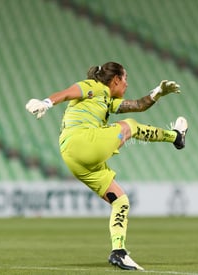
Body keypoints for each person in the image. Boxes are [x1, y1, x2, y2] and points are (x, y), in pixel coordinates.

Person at [25, 61, 188, 271]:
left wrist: (157, 92)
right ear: (116, 79)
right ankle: (175, 137)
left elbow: (138, 105)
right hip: (82, 141)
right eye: (125, 80)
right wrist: (46, 103)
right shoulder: (93, 87)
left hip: (75, 160)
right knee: (130, 127)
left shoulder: (107, 101)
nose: (127, 85)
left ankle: (118, 252)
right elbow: (67, 93)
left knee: (121, 201)